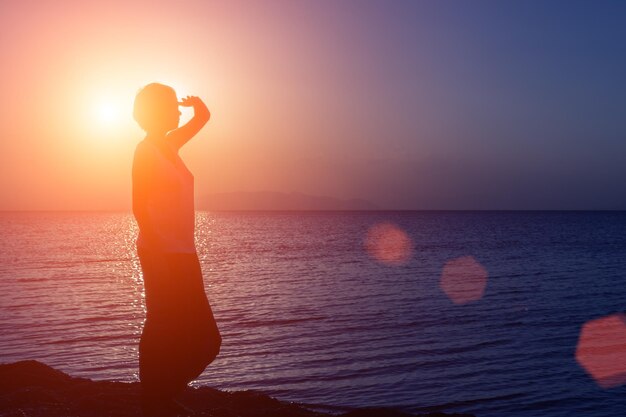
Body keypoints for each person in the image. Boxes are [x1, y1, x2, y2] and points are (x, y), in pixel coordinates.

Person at [132, 83, 221, 416]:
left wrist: (197, 106)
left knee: (206, 339)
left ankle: (159, 395)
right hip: (162, 252)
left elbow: (203, 118)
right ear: (155, 110)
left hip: (184, 251)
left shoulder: (168, 145)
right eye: (171, 105)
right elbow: (139, 205)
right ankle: (155, 401)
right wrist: (157, 256)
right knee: (160, 326)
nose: (178, 110)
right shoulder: (146, 151)